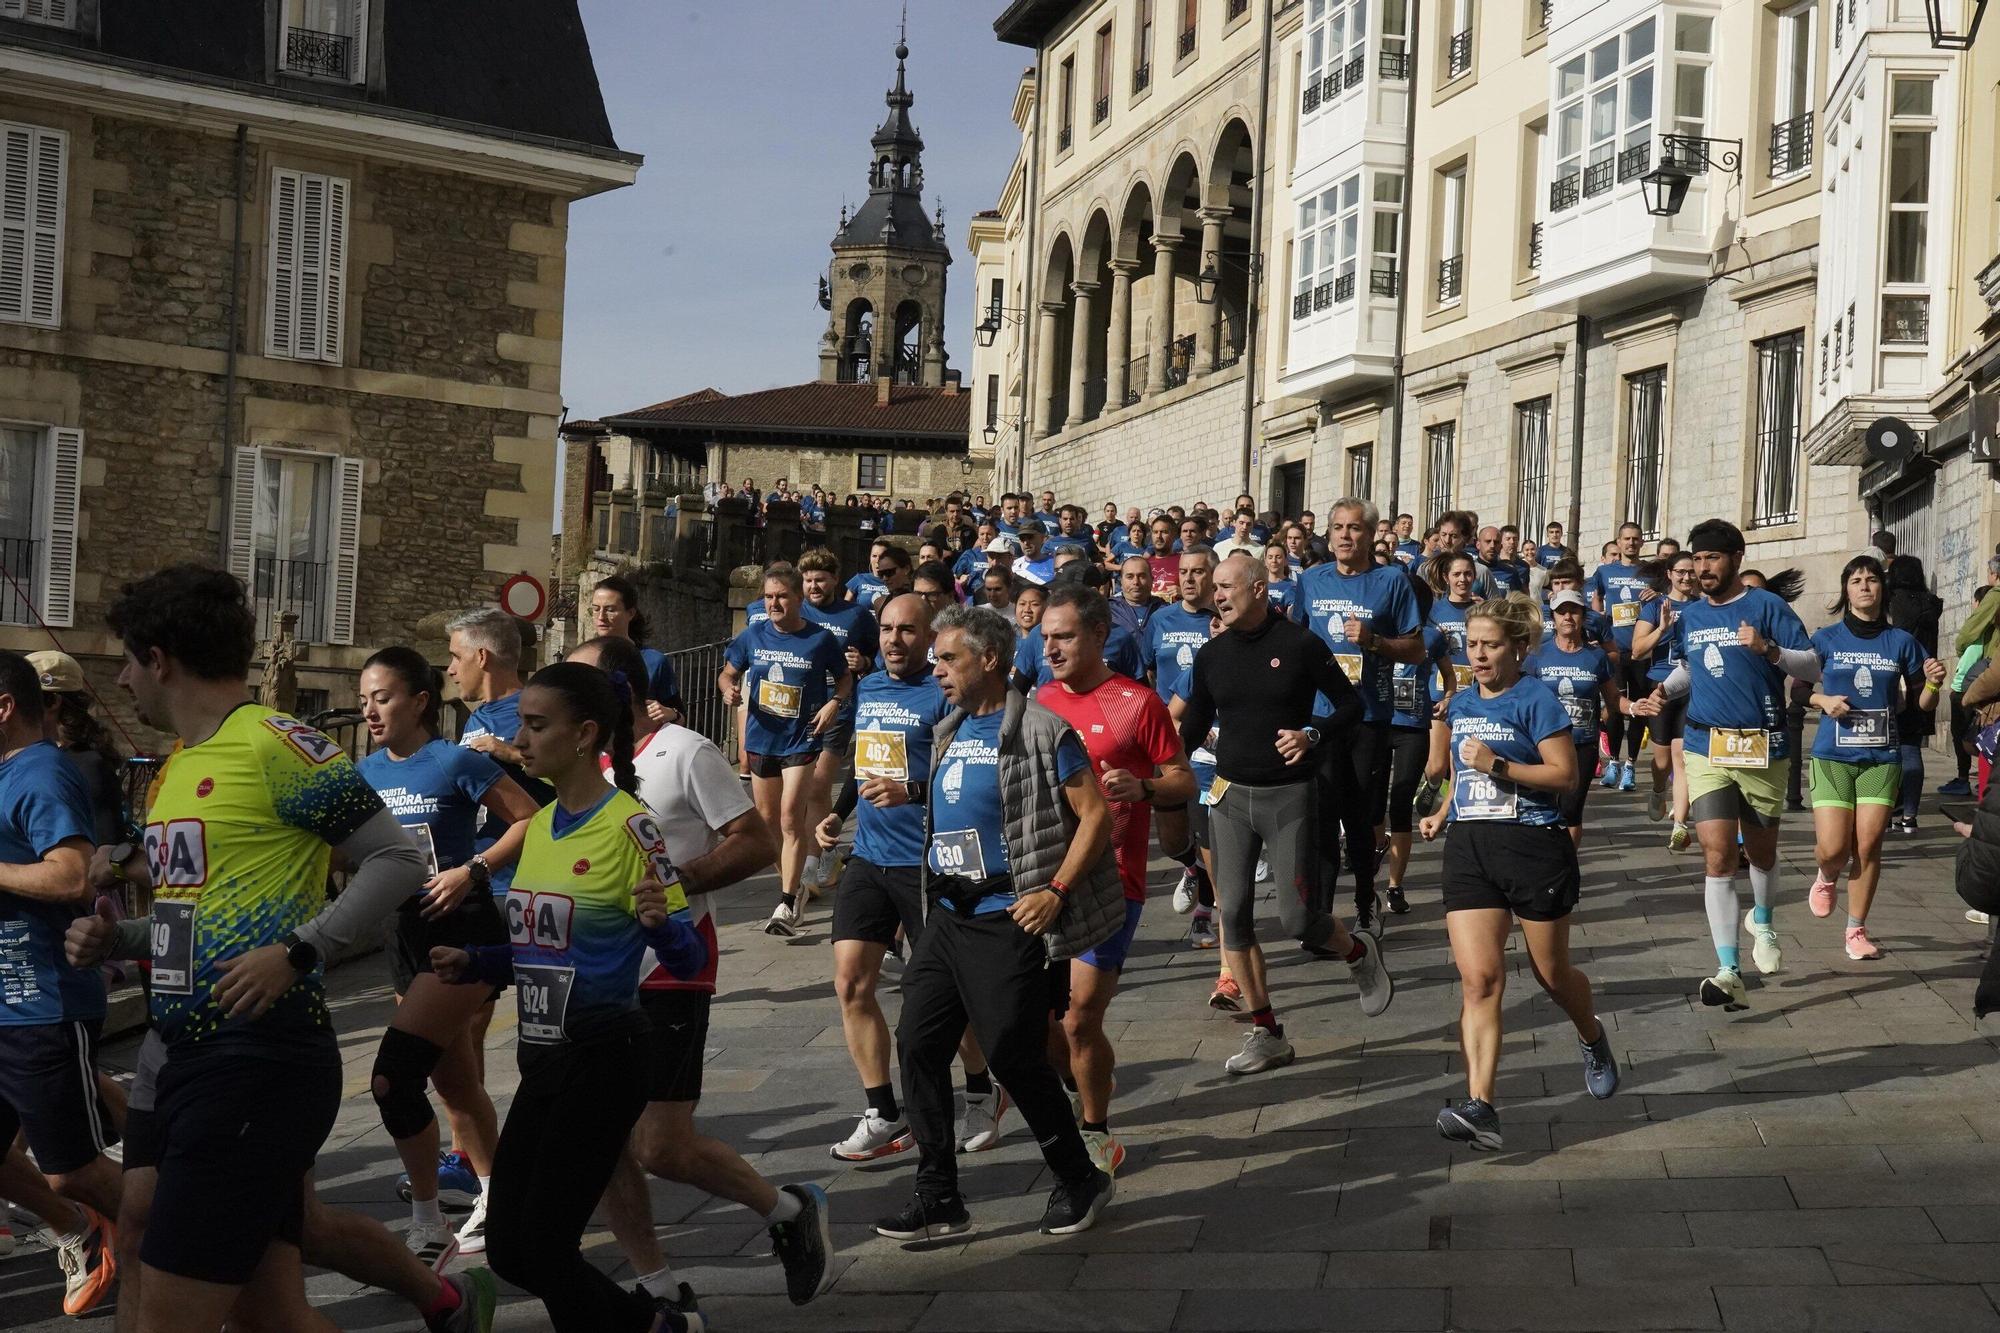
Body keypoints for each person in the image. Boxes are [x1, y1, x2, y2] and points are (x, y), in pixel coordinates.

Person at [71, 564, 492, 1331]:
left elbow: (396, 859)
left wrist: (303, 949)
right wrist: (119, 937)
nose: (122, 679)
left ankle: (449, 1299)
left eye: (128, 660)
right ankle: (450, 1304)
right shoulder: (178, 765)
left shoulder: (278, 743)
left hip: (254, 1057)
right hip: (175, 1051)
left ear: (160, 659)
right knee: (187, 1260)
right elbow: (194, 915)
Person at [429, 661, 713, 1332]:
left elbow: (689, 957)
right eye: (520, 726)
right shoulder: (543, 824)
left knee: (546, 1247)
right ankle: (656, 1326)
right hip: (544, 1059)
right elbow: (539, 948)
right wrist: (476, 961)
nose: (519, 741)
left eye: (535, 725)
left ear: (584, 735)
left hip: (605, 1056)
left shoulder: (631, 827)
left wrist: (661, 927)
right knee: (509, 1249)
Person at [566, 637, 826, 1317]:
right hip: (596, 972)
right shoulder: (580, 763)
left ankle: (788, 1208)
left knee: (660, 1146)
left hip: (671, 966)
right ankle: (657, 1285)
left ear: (620, 690)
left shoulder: (684, 751)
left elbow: (757, 841)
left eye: (579, 680)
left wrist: (674, 882)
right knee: (601, 1135)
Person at [874, 604, 1120, 1242]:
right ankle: (938, 1195)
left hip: (1008, 916)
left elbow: (1095, 816)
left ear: (989, 659)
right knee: (917, 1045)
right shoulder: (951, 728)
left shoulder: (1042, 730)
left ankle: (1078, 1177)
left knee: (1013, 1053)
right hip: (947, 915)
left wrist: (1056, 892)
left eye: (948, 658)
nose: (937, 669)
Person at [354, 646, 538, 1265]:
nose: (370, 711)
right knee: (454, 1081)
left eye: (382, 698)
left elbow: (530, 819)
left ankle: (429, 1220)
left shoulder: (453, 759)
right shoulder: (364, 771)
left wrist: (472, 870)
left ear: (420, 702)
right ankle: (500, 1195)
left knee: (394, 1075)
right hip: (402, 935)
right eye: (363, 700)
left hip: (460, 929)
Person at [1417, 596, 1618, 1150]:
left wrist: (1499, 764)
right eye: (1472, 645)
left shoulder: (1537, 699)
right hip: (1470, 850)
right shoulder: (1460, 702)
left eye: (1491, 645)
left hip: (1533, 847)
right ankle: (1481, 1106)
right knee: (1479, 981)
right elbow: (1463, 772)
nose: (1478, 655)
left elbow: (1565, 775)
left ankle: (1591, 1035)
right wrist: (1443, 810)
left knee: (1552, 976)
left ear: (1519, 649)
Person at [1178, 555, 1392, 1076]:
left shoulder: (1299, 644)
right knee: (1233, 915)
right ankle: (1267, 1033)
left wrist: (1311, 734)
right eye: (1214, 587)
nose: (1217, 595)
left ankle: (1357, 954)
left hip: (1290, 795)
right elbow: (1194, 722)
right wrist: (1166, 768)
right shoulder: (1211, 654)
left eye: (1226, 586)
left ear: (1258, 588)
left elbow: (1351, 706)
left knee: (1299, 920)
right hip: (1230, 796)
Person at [817, 595, 1003, 1161]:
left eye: (907, 630)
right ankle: (882, 1110)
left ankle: (980, 1089)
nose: (894, 640)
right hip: (869, 857)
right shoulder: (869, 687)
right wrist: (840, 813)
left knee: (945, 992)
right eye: (886, 629)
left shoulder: (946, 694)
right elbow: (867, 763)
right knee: (850, 983)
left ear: (929, 637)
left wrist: (913, 792)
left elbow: (964, 774)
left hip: (925, 864)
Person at [1037, 584, 1195, 1175]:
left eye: (1064, 637)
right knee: (1039, 1024)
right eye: (1046, 637)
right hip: (1043, 876)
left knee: (1081, 1017)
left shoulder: (1137, 702)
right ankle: (1082, 1080)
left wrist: (1143, 787)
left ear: (1099, 635)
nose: (1051, 649)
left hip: (1112, 880)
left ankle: (1096, 1132)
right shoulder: (1038, 700)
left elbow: (1183, 780)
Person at [1633, 520, 1818, 1010]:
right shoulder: (1691, 615)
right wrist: (1661, 691)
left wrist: (1769, 650)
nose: (1702, 567)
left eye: (1712, 557)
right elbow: (1689, 668)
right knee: (1717, 855)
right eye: (1697, 558)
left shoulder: (1767, 607)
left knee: (1760, 853)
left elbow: (1813, 665)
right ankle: (1728, 970)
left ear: (1736, 557)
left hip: (1761, 745)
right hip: (1705, 744)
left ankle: (1764, 921)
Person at [0, 648, 122, 1317]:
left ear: (4, 707)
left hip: (40, 1005)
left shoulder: (42, 771)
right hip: (4, 1003)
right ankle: (80, 1230)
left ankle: (204, 1249)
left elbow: (71, 874)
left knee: (72, 1167)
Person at [1805, 556, 1946, 960]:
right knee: (1833, 848)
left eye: (1871, 579)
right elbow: (1798, 690)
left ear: (1882, 589)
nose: (1865, 586)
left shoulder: (1901, 641)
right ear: (1846, 591)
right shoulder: (1826, 639)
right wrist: (1823, 700)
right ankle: (1826, 874)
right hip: (1832, 756)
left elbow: (1920, 704)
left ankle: (1856, 930)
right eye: (1856, 580)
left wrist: (1934, 684)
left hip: (1881, 757)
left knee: (1868, 845)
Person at [1299, 498, 1426, 935]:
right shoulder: (1311, 580)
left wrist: (1374, 642)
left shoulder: (1392, 581)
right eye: (1338, 527)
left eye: (1354, 528)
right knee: (1321, 814)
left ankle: (1364, 901)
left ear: (1371, 535)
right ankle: (1319, 914)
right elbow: (1295, 640)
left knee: (1361, 815)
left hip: (1369, 715)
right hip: (1321, 716)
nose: (1344, 536)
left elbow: (1416, 649)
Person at [721, 564, 852, 937]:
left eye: (781, 596)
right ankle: (794, 885)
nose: (774, 603)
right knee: (767, 821)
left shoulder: (820, 639)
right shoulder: (753, 635)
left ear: (798, 599)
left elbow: (844, 677)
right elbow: (728, 672)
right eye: (768, 597)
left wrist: (834, 703)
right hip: (762, 739)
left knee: (790, 816)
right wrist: (728, 689)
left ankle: (787, 902)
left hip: (801, 738)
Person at [797, 548, 880, 891]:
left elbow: (876, 655)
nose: (813, 586)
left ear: (834, 580)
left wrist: (864, 663)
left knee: (818, 785)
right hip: (800, 708)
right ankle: (821, 851)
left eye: (820, 579)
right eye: (807, 580)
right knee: (800, 792)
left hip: (839, 706)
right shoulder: (796, 611)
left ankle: (815, 861)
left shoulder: (856, 615)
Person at [1524, 592, 1615, 848]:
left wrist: (1634, 707)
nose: (1567, 616)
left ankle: (1568, 864)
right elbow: (1523, 697)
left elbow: (1613, 698)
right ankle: (1545, 859)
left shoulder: (1596, 656)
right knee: (1542, 806)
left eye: (1573, 611)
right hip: (1544, 743)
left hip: (1582, 745)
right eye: (1561, 611)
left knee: (1571, 809)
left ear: (1583, 616)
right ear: (1552, 617)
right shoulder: (1537, 654)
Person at [1631, 553, 1698, 847]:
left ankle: (1680, 824)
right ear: (1669, 574)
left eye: (1691, 572)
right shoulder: (1655, 606)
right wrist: (1662, 628)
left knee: (1681, 755)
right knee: (1662, 762)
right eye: (1681, 572)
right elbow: (1636, 651)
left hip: (1692, 687)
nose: (1687, 577)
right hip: (1659, 687)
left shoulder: (1702, 607)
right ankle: (1659, 789)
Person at [27, 650, 124, 845]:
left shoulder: (88, 766)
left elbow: (105, 845)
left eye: (21, 700)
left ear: (53, 702)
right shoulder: (32, 756)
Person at [1589, 522, 1653, 791]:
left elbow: (1665, 598)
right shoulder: (1605, 571)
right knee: (1614, 707)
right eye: (1626, 539)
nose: (1631, 543)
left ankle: (1630, 765)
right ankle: (1613, 762)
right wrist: (1597, 620)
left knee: (1638, 708)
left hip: (1641, 650)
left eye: (1636, 539)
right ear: (1618, 542)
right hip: (1614, 651)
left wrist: (1657, 595)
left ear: (1642, 542)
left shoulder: (1650, 571)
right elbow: (1594, 596)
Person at [1885, 555, 1944, 834]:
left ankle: (1888, 810)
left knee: (1889, 748)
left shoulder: (1894, 601)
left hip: (1897, 680)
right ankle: (1910, 814)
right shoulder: (1930, 603)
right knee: (1912, 746)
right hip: (1925, 679)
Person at [588, 576, 684, 729]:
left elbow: (680, 716)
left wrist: (671, 713)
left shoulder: (655, 661)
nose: (601, 617)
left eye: (610, 610)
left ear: (631, 613)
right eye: (595, 609)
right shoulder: (582, 658)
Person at [1115, 554, 1166, 637]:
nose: (1136, 582)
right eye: (1130, 577)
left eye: (1142, 576)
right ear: (1121, 581)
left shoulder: (1165, 610)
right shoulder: (1108, 611)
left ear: (1152, 580)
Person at [1262, 542, 1304, 622]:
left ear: (1285, 561)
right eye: (1270, 557)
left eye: (1278, 557)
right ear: (1265, 561)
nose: (1274, 560)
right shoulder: (1260, 585)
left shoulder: (1294, 587)